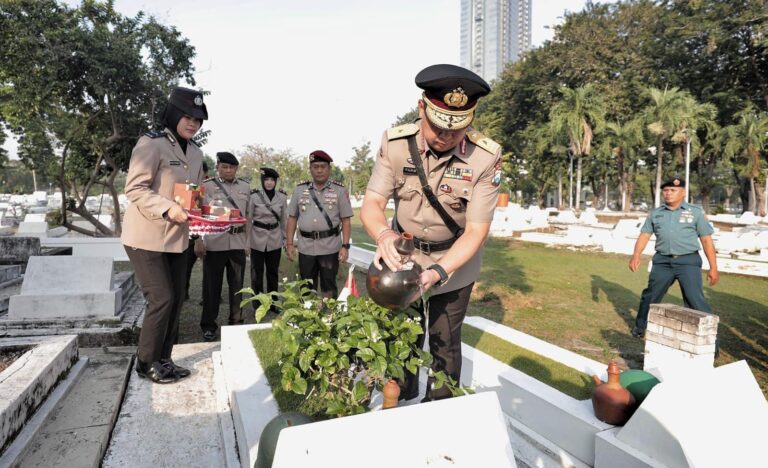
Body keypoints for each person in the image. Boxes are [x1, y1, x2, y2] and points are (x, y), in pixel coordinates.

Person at [360, 64, 501, 401]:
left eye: (457, 129)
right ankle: (400, 396)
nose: (447, 136)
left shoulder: (485, 157)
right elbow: (373, 203)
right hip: (403, 257)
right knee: (402, 336)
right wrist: (383, 237)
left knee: (445, 343)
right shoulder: (395, 144)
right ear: (422, 108)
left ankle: (438, 408)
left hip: (454, 261)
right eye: (438, 126)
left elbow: (477, 230)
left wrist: (438, 272)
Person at [122, 86, 207, 384]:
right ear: (173, 114)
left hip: (178, 238)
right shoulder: (151, 143)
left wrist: (206, 210)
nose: (193, 124)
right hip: (145, 236)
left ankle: (164, 359)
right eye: (188, 117)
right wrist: (168, 208)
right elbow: (134, 188)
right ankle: (145, 362)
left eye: (198, 120)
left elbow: (193, 193)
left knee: (177, 298)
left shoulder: (195, 152)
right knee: (161, 297)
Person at [629, 177, 719, 338]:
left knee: (695, 300)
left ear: (683, 192)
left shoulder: (695, 212)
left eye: (673, 190)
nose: (668, 193)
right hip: (662, 261)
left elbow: (706, 240)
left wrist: (713, 267)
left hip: (688, 262)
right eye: (665, 190)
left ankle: (709, 339)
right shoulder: (656, 213)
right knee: (650, 296)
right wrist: (636, 255)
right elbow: (644, 235)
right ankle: (640, 328)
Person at [196, 152, 251, 342]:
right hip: (215, 243)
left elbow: (248, 217)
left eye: (232, 167)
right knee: (212, 288)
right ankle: (208, 326)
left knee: (237, 286)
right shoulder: (207, 186)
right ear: (217, 167)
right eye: (224, 167)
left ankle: (236, 321)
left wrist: (248, 242)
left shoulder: (245, 187)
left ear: (236, 168)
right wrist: (199, 239)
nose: (228, 170)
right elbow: (200, 214)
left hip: (237, 243)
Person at [285, 150, 353, 299]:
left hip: (330, 247)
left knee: (329, 287)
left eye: (323, 166)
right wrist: (289, 243)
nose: (319, 170)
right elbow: (292, 218)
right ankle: (308, 319)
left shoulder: (339, 191)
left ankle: (329, 319)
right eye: (315, 167)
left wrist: (345, 246)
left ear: (329, 169)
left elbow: (346, 220)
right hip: (305, 247)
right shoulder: (299, 190)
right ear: (310, 169)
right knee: (306, 288)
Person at [248, 167, 287, 312]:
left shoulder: (282, 197)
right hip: (257, 237)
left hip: (274, 238)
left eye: (272, 180)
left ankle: (273, 302)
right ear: (262, 181)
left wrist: (285, 239)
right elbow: (249, 219)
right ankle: (258, 303)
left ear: (276, 182)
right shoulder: (254, 196)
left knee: (272, 272)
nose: (270, 183)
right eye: (266, 180)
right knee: (256, 273)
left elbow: (284, 220)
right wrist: (246, 242)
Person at [184, 161, 209, 301]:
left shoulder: (210, 188)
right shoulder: (190, 188)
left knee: (209, 269)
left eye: (203, 175)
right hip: (190, 236)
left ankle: (208, 296)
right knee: (185, 267)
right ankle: (183, 293)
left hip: (208, 235)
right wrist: (197, 238)